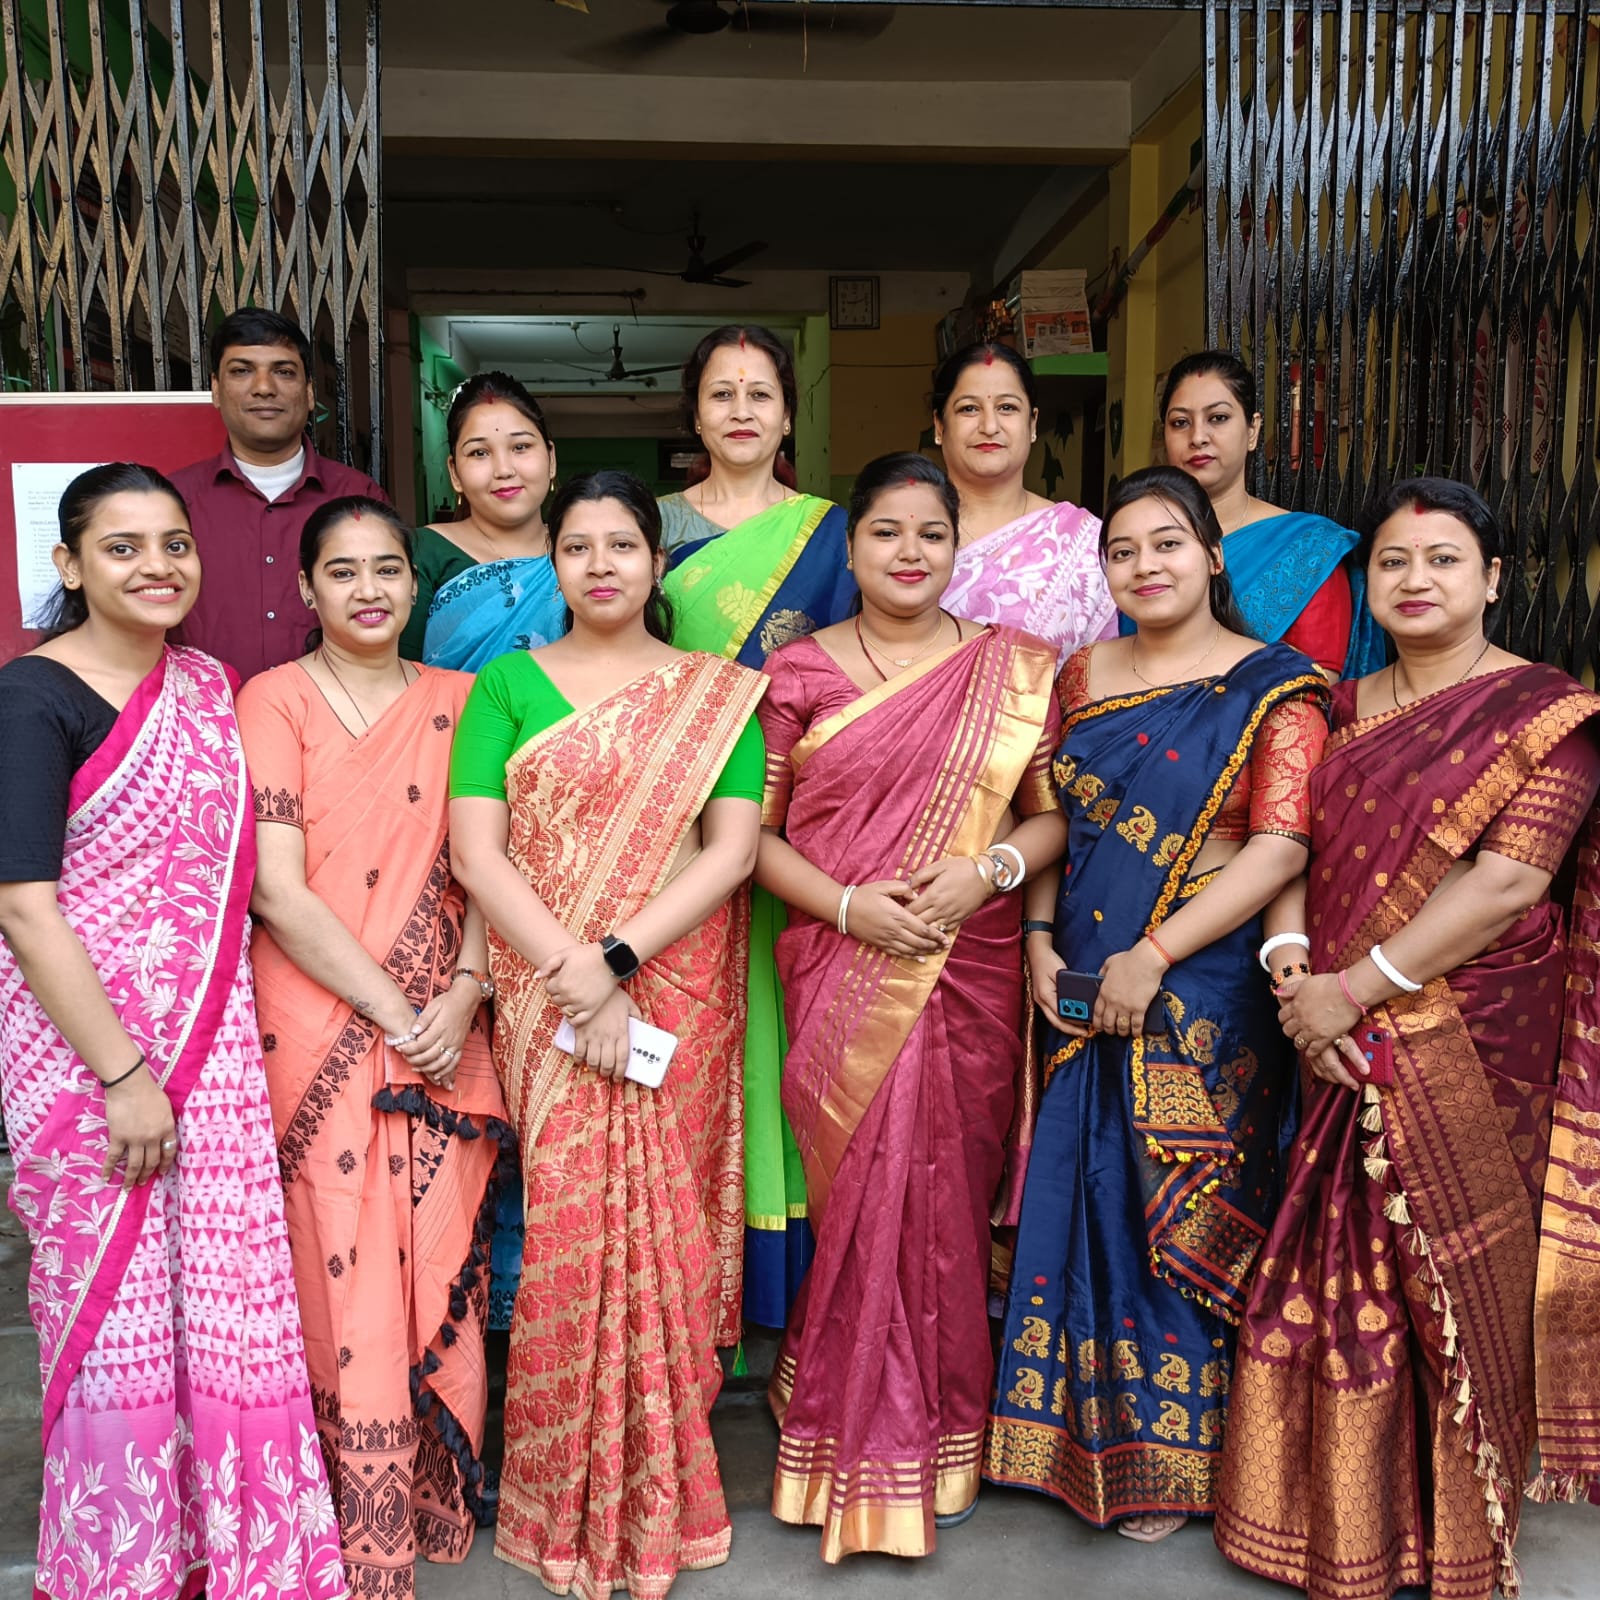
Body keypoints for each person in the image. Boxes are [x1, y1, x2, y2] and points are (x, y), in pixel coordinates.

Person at [1215, 478, 1600, 1600]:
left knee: (1452, 1258)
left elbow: (1509, 882)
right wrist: (1296, 976)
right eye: (1393, 561)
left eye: (1442, 559)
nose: (1415, 579)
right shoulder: (1329, 708)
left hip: (1473, 1028)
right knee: (1332, 1256)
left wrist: (1356, 990)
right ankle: (1328, 1517)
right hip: (1323, 1015)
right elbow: (1282, 845)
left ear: (1494, 579)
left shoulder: (1547, 712)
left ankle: (1456, 1525)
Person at [0, 463, 346, 1600]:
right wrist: (124, 1074)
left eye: (174, 544)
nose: (156, 567)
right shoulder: (31, 697)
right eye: (123, 547)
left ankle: (237, 1558)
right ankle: (126, 1568)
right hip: (86, 1066)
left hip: (216, 1055)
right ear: (69, 564)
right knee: (116, 1329)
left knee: (225, 1316)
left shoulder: (208, 685)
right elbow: (22, 906)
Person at [985, 464, 1330, 1543]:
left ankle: (1180, 1457)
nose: (1145, 565)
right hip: (1084, 966)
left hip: (1204, 983)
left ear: (1212, 555)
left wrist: (1155, 953)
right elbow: (1057, 817)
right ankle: (1069, 1439)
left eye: (1168, 543)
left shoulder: (1277, 685)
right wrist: (1038, 940)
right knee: (1087, 1189)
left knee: (1178, 1198)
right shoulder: (1082, 675)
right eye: (1123, 550)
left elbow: (1280, 844)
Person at [448, 469, 766, 1599]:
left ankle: (663, 1494)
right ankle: (558, 1502)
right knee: (568, 1231)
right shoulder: (506, 684)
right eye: (576, 547)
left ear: (656, 561)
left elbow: (732, 851)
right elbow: (476, 851)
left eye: (621, 545)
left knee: (666, 1232)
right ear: (553, 565)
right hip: (548, 997)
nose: (599, 565)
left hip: (673, 990)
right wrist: (575, 975)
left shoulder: (715, 693)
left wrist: (615, 961)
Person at [753, 452, 1063, 1558]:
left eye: (931, 533)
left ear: (956, 548)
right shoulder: (796, 672)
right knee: (859, 1194)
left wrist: (988, 873)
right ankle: (839, 1424)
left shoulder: (1014, 667)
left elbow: (1050, 817)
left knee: (946, 1199)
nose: (909, 552)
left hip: (969, 962)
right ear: (851, 550)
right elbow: (752, 840)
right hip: (840, 961)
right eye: (886, 532)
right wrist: (849, 908)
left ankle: (944, 1430)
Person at [236, 496, 507, 1598]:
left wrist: (468, 991)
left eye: (387, 568)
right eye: (341, 571)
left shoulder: (464, 699)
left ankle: (428, 1497)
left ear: (415, 582)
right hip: (317, 1020)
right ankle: (344, 1511)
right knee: (338, 1251)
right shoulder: (275, 697)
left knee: (428, 1249)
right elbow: (276, 888)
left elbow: (491, 865)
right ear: (306, 589)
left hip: (446, 1018)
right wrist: (399, 1013)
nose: (367, 589)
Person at [661, 323, 858, 1329]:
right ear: (694, 414)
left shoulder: (834, 535)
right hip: (668, 826)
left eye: (760, 394)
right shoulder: (646, 529)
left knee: (786, 1050)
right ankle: (688, 1301)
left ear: (789, 415)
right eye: (721, 393)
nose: (741, 410)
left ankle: (786, 1304)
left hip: (795, 827)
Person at [170, 306, 386, 680]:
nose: (264, 387)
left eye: (283, 371)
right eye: (242, 371)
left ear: (309, 392)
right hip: (199, 712)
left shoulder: (358, 497)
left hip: (333, 712)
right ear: (216, 390)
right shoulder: (173, 501)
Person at [1157, 349, 1384, 677]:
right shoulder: (1136, 551)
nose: (1198, 437)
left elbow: (1316, 684)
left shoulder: (1309, 551)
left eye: (1218, 418)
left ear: (1252, 430)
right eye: (1180, 423)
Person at [933, 340, 1117, 665]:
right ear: (939, 426)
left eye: (1007, 408)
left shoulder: (1084, 540)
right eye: (969, 409)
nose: (989, 426)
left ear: (1032, 424)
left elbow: (1105, 670)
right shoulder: (904, 535)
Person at [405, 371, 566, 673]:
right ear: (454, 472)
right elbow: (397, 680)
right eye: (479, 453)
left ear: (551, 458)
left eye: (520, 447)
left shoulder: (583, 552)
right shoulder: (422, 553)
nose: (503, 469)